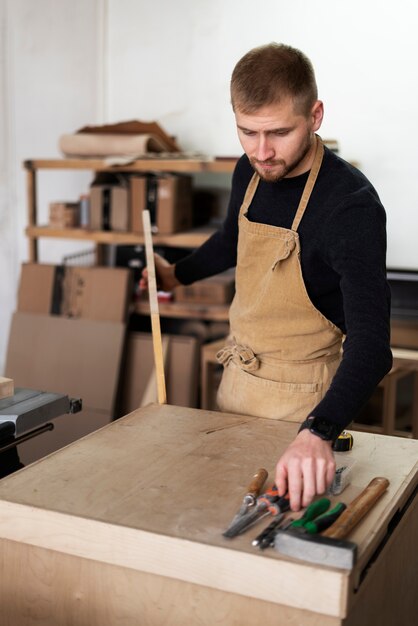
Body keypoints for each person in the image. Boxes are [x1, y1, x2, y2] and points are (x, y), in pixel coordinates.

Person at [140, 43, 392, 511]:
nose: (262, 152)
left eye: (278, 132)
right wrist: (175, 276)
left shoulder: (350, 206)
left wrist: (319, 431)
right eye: (247, 131)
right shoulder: (250, 171)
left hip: (304, 406)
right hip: (238, 387)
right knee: (216, 513)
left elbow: (373, 345)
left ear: (315, 116)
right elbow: (229, 239)